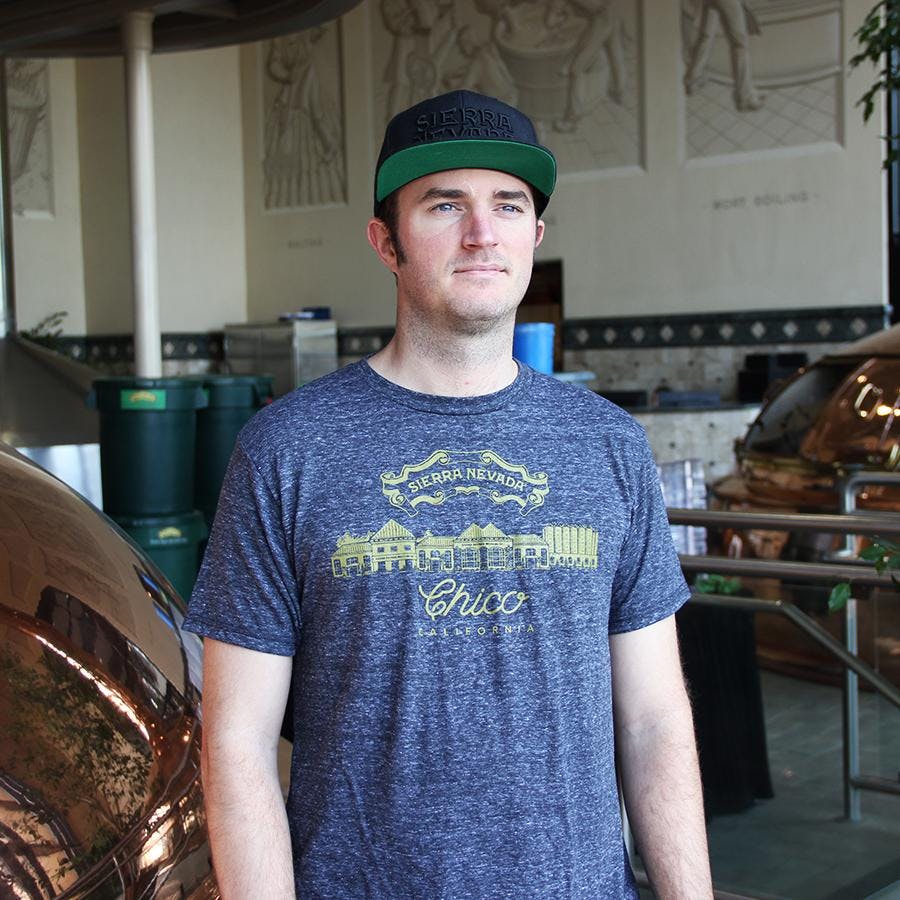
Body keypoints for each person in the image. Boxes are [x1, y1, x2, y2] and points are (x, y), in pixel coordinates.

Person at [185, 89, 713, 898]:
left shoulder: (607, 444)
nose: (481, 232)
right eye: (443, 205)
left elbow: (652, 721)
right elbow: (236, 742)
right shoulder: (288, 450)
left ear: (534, 237)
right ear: (384, 240)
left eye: (507, 204)